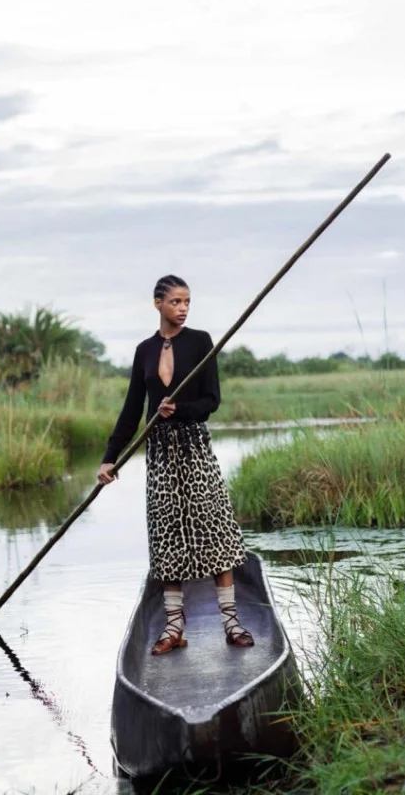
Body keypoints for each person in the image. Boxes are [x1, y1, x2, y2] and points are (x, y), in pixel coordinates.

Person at [98, 275, 254, 655]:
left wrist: (178, 410)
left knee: (213, 527)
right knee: (166, 532)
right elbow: (133, 408)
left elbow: (211, 401)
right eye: (176, 302)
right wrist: (109, 458)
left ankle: (232, 624)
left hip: (194, 447)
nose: (183, 309)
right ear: (157, 304)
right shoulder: (144, 351)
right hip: (161, 453)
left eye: (187, 302)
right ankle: (173, 628)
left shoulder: (200, 342)